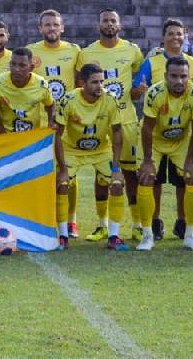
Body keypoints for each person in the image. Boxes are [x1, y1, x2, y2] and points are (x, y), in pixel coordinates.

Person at [132, 19, 193, 241]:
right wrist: (139, 90)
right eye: (171, 33)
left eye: (179, 34)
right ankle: (154, 223)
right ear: (163, 37)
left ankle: (183, 222)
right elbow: (135, 91)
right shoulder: (152, 63)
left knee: (184, 179)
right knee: (153, 178)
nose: (175, 37)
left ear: (185, 36)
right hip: (156, 132)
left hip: (182, 134)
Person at [78, 9, 145, 243]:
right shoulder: (86, 53)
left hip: (125, 119)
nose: (109, 24)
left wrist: (137, 92)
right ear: (99, 25)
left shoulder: (133, 50)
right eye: (105, 20)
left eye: (113, 21)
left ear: (120, 25)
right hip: (98, 121)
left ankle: (137, 224)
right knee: (102, 172)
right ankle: (102, 225)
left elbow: (138, 82)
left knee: (130, 172)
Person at [53, 63, 128, 251]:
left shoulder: (110, 99)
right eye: (94, 82)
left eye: (102, 81)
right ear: (82, 83)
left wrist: (117, 168)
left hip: (101, 150)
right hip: (72, 151)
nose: (100, 86)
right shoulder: (68, 100)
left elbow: (118, 133)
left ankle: (114, 236)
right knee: (61, 185)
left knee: (118, 185)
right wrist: (62, 169)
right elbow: (58, 136)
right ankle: (62, 236)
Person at [0, 46, 52, 135]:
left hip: (31, 136)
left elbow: (50, 104)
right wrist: (2, 133)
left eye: (22, 65)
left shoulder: (42, 85)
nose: (16, 69)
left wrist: (51, 122)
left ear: (31, 67)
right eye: (13, 64)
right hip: (7, 135)